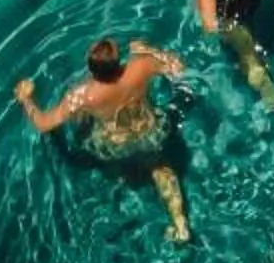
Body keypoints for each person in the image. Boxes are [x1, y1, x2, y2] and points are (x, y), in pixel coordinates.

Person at [16, 37, 192, 242]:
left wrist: (26, 99)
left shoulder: (82, 96)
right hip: (151, 130)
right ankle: (180, 226)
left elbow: (43, 123)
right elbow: (179, 67)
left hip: (117, 144)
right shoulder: (141, 65)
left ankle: (126, 181)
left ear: (91, 70)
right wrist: (148, 50)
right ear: (118, 62)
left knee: (84, 128)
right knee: (160, 168)